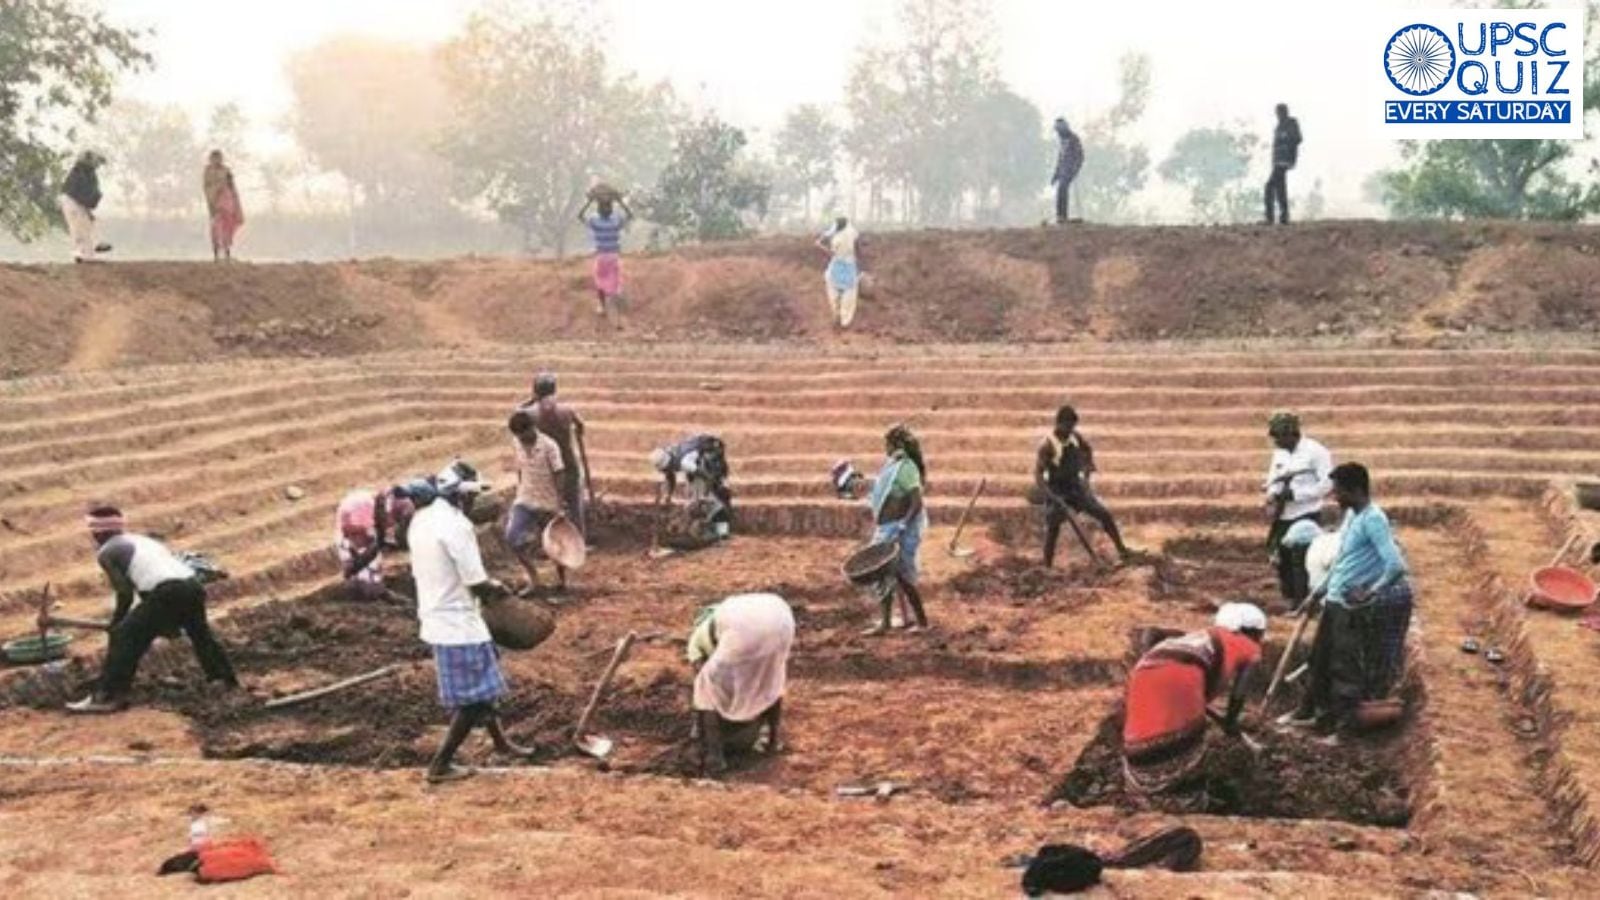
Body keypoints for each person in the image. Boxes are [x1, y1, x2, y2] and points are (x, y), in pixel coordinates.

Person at [408, 460, 532, 783]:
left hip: (438, 613)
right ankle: (440, 765)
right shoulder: (457, 526)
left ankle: (501, 743)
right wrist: (501, 590)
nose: (475, 502)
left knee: (485, 687)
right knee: (474, 701)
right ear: (461, 496)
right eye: (472, 496)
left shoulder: (422, 519)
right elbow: (477, 583)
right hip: (457, 623)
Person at [66, 505, 238, 713]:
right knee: (201, 635)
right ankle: (225, 679)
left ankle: (107, 696)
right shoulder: (143, 541)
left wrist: (118, 622)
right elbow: (153, 580)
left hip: (166, 591)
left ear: (98, 532)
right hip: (192, 586)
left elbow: (125, 593)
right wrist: (164, 622)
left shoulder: (107, 552)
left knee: (124, 636)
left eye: (92, 530)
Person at [1286, 463, 1412, 738]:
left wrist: (1372, 591)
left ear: (1355, 490)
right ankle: (1320, 718)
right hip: (1334, 602)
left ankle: (1344, 731)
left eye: (1339, 491)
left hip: (1350, 609)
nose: (1334, 497)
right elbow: (1343, 561)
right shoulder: (1353, 516)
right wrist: (1317, 593)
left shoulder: (1373, 520)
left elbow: (1396, 565)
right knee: (1320, 660)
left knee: (1345, 670)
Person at [1121, 603, 1266, 803]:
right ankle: (1187, 800)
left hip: (1142, 676)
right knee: (1187, 738)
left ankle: (1143, 786)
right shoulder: (1249, 647)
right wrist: (1231, 721)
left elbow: (1175, 671)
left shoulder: (1201, 637)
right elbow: (1240, 692)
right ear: (1252, 632)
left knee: (1144, 730)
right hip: (1179, 680)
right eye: (1260, 634)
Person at [686, 592, 794, 776]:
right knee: (770, 681)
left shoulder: (695, 641)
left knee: (705, 689)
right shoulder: (722, 619)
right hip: (782, 618)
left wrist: (700, 727)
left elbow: (703, 681)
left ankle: (715, 758)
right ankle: (773, 742)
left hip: (744, 629)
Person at [1034, 405, 1134, 565]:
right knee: (1053, 525)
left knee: (1104, 515)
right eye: (1067, 426)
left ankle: (1122, 551)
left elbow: (1088, 451)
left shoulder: (1075, 437)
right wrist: (1054, 498)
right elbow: (1038, 476)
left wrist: (1086, 477)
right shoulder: (1047, 446)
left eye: (1072, 426)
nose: (1070, 430)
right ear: (1059, 423)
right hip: (1057, 490)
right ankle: (1047, 566)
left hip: (1076, 487)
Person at [861, 424, 930, 636]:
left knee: (903, 577)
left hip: (899, 529)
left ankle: (922, 622)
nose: (886, 448)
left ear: (897, 444)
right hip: (887, 528)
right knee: (884, 575)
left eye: (888, 444)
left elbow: (916, 501)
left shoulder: (907, 468)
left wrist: (903, 524)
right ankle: (887, 622)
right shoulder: (893, 466)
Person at [1263, 412, 1333, 608]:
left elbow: (1327, 484)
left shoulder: (1316, 452)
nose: (1275, 441)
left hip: (1306, 514)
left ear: (1291, 434)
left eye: (1278, 436)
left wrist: (1297, 495)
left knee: (1301, 559)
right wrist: (1272, 495)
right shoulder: (1280, 453)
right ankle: (1290, 596)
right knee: (1281, 557)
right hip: (1283, 514)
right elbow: (1273, 478)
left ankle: (1304, 601)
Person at [505, 410, 570, 595]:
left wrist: (560, 503)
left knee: (554, 545)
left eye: (524, 434)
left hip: (548, 502)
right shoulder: (516, 442)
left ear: (532, 428)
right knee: (511, 538)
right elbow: (520, 468)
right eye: (519, 436)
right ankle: (534, 578)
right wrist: (520, 488)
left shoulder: (550, 446)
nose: (522, 439)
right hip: (525, 499)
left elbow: (559, 473)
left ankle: (562, 582)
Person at [521, 372, 589, 538]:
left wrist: (530, 401)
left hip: (545, 468)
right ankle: (579, 541)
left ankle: (550, 542)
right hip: (568, 465)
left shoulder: (529, 414)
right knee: (574, 506)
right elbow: (581, 427)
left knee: (546, 508)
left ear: (536, 391)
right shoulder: (567, 410)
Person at [335, 485, 418, 601]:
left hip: (357, 525)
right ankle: (366, 593)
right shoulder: (363, 517)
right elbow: (368, 547)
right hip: (355, 525)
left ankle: (372, 590)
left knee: (368, 569)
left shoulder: (388, 505)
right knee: (363, 574)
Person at [650, 433, 733, 539]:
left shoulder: (686, 463)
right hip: (701, 460)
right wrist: (667, 496)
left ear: (669, 463)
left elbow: (706, 475)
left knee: (714, 499)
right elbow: (670, 477)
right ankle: (711, 526)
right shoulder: (670, 456)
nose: (666, 471)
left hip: (713, 453)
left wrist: (707, 493)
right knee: (698, 496)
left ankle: (722, 532)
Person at [576, 188, 634, 318]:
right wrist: (620, 201)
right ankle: (616, 301)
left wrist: (589, 202)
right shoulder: (615, 221)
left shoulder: (595, 221)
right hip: (613, 257)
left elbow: (580, 216)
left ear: (599, 210)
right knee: (615, 282)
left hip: (601, 257)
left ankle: (602, 306)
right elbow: (630, 216)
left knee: (600, 282)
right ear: (611, 209)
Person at [60, 151, 113, 263]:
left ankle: (86, 251)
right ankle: (84, 254)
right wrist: (87, 207)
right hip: (73, 201)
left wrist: (87, 209)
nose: (97, 165)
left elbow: (85, 195)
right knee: (79, 227)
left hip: (73, 201)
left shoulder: (83, 172)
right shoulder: (81, 172)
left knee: (85, 225)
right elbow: (80, 194)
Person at [816, 216, 863, 328]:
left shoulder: (838, 237)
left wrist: (820, 246)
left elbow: (832, 253)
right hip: (849, 266)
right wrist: (860, 266)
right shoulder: (852, 233)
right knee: (848, 294)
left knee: (834, 292)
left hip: (838, 265)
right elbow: (858, 250)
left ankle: (838, 316)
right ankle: (844, 320)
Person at [1263, 103, 1302, 225]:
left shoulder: (1291, 123)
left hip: (1285, 160)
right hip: (1278, 160)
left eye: (1279, 112)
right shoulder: (1279, 125)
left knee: (1269, 186)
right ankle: (1283, 217)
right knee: (1280, 189)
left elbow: (1298, 139)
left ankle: (1270, 217)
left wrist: (1286, 140)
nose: (1278, 115)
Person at [202, 150, 245, 262]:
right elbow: (206, 187)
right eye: (214, 158)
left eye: (219, 158)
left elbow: (232, 186)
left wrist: (236, 204)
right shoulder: (208, 171)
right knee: (216, 228)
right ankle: (216, 255)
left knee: (227, 227)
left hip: (228, 201)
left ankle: (227, 253)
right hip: (215, 202)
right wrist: (212, 200)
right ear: (211, 159)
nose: (217, 160)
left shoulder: (226, 170)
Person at [1051, 118, 1084, 225]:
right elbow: (1060, 159)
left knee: (1062, 189)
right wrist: (1055, 175)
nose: (1058, 133)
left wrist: (1075, 169)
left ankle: (1062, 216)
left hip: (1069, 170)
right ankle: (1060, 216)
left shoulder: (1074, 139)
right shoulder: (1062, 141)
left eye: (1059, 130)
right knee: (1060, 191)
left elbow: (1080, 156)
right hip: (1062, 171)